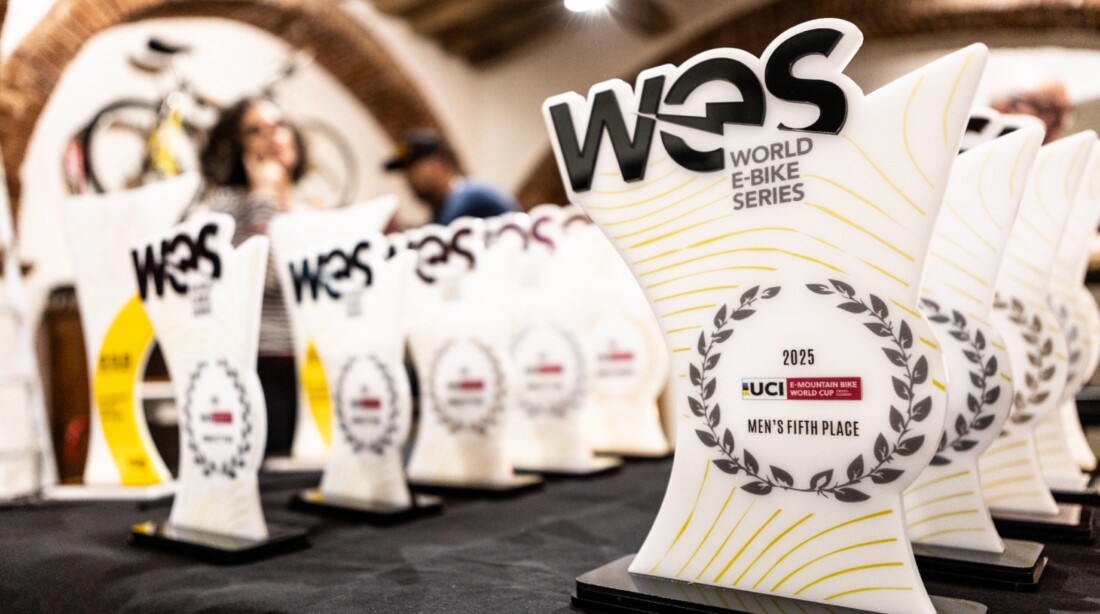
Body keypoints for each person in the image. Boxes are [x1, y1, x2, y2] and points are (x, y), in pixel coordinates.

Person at [196, 96, 311, 457]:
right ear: (237, 146)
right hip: (264, 363)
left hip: (313, 364)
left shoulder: (307, 209)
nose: (272, 136)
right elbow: (264, 278)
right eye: (254, 131)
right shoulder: (228, 207)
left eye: (278, 125)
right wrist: (263, 196)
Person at [383, 129, 518, 225]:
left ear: (438, 160)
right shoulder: (437, 216)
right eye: (404, 172)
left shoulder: (474, 199)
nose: (407, 178)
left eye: (413, 168)